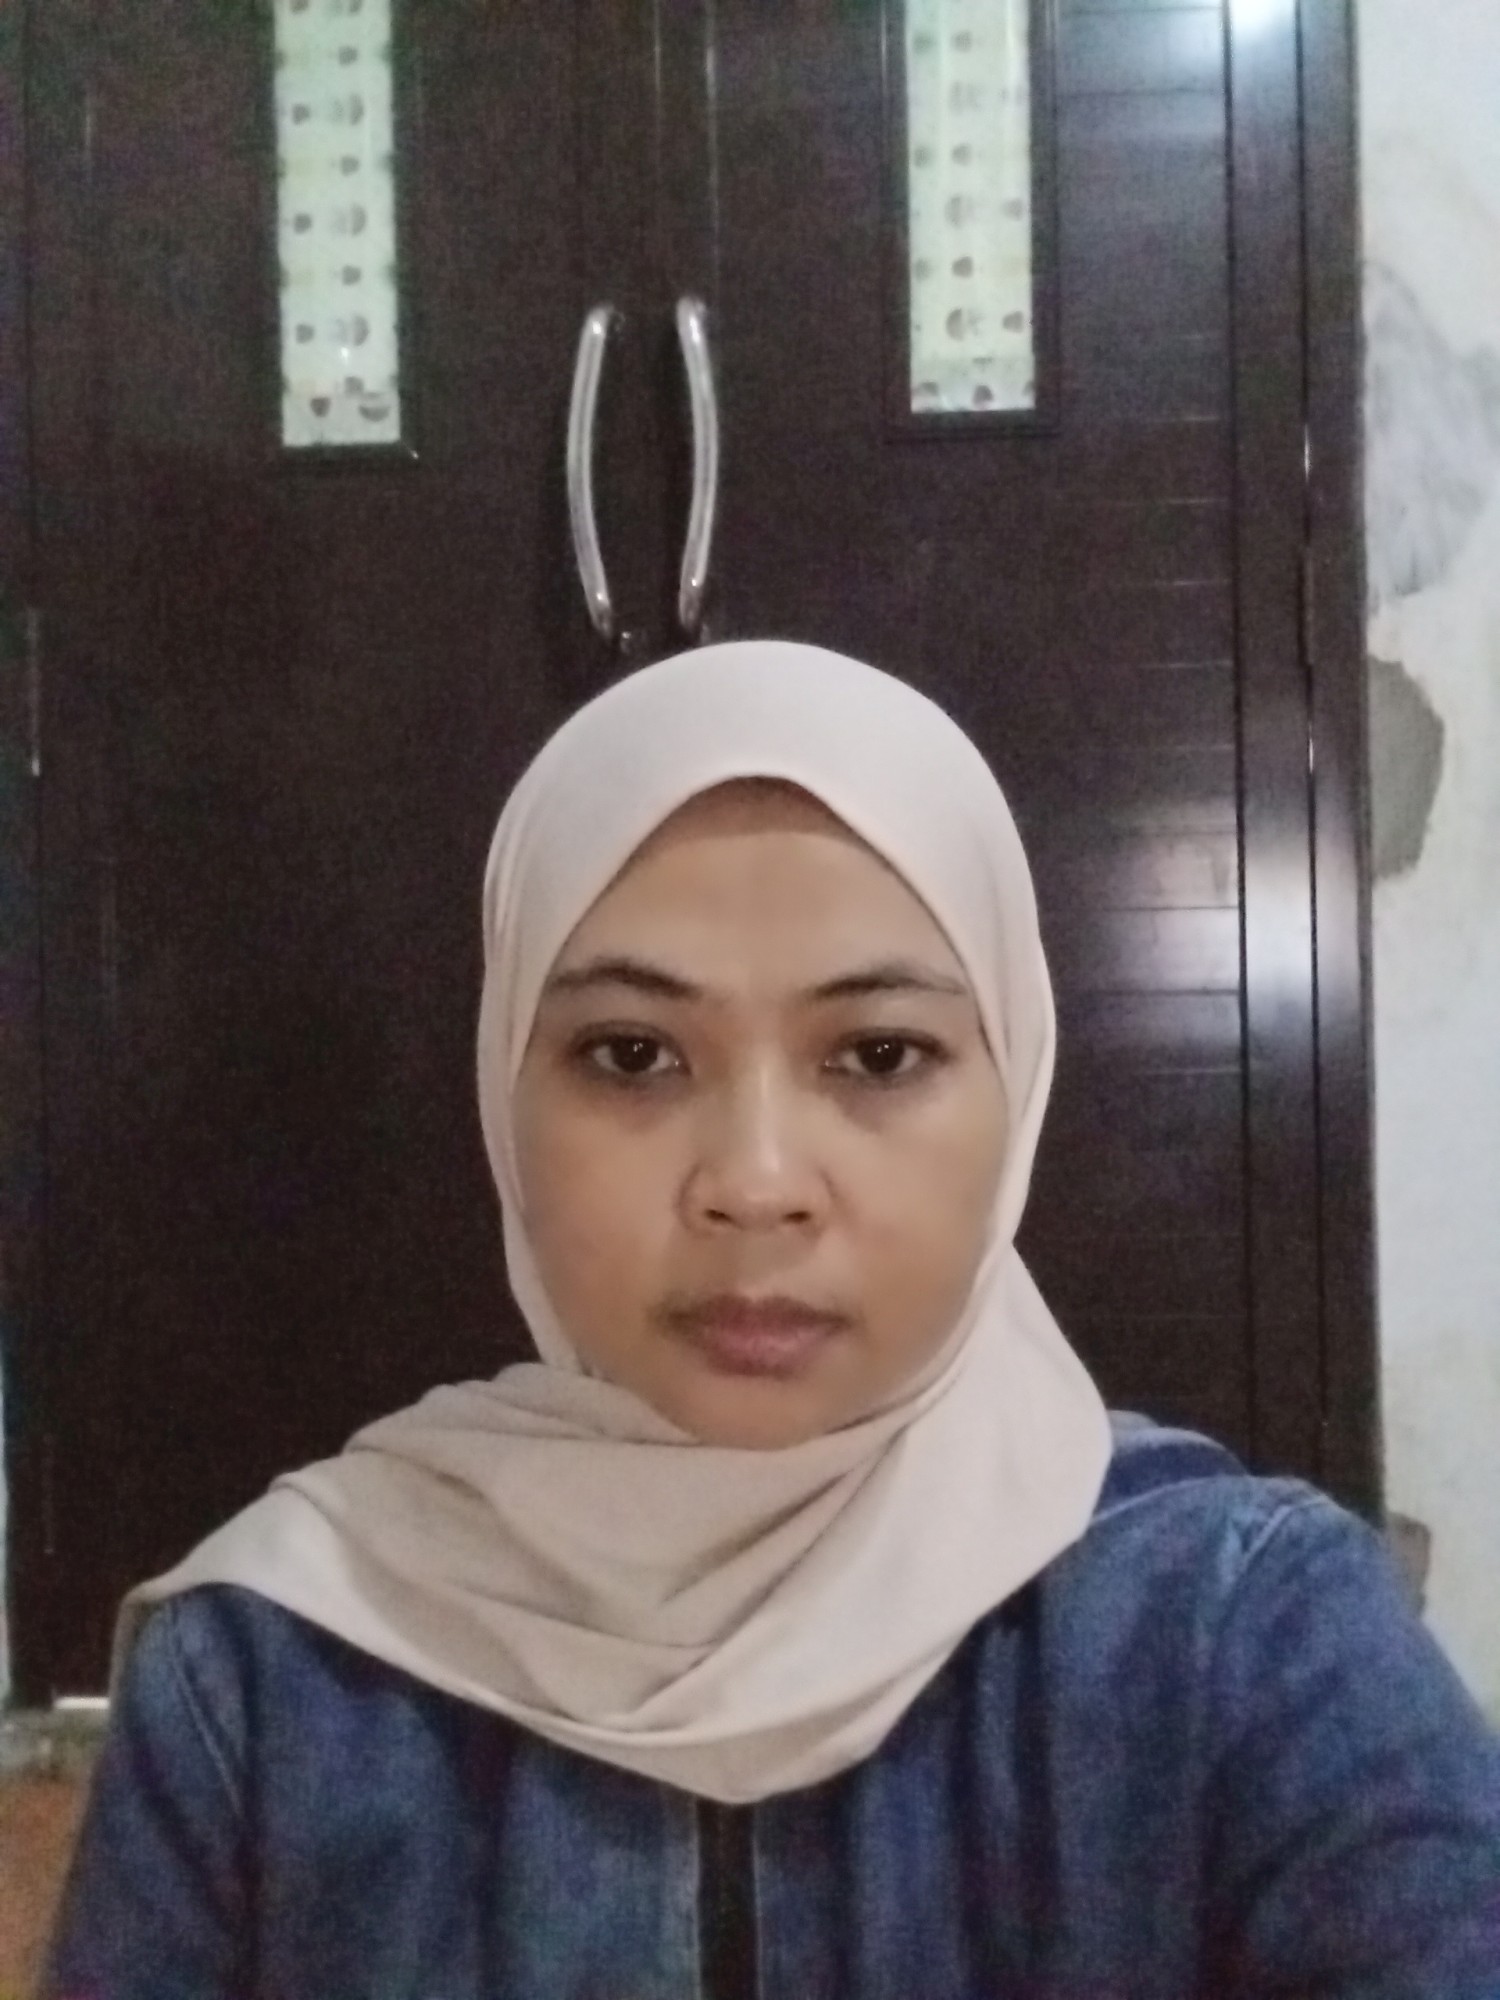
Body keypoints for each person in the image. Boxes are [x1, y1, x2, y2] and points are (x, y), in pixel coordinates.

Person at [44, 642, 1500, 1999]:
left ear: (1016, 1084)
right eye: (632, 1054)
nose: (752, 1185)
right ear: (503, 1092)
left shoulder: (1244, 1637)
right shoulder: (272, 1678)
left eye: (879, 1054)